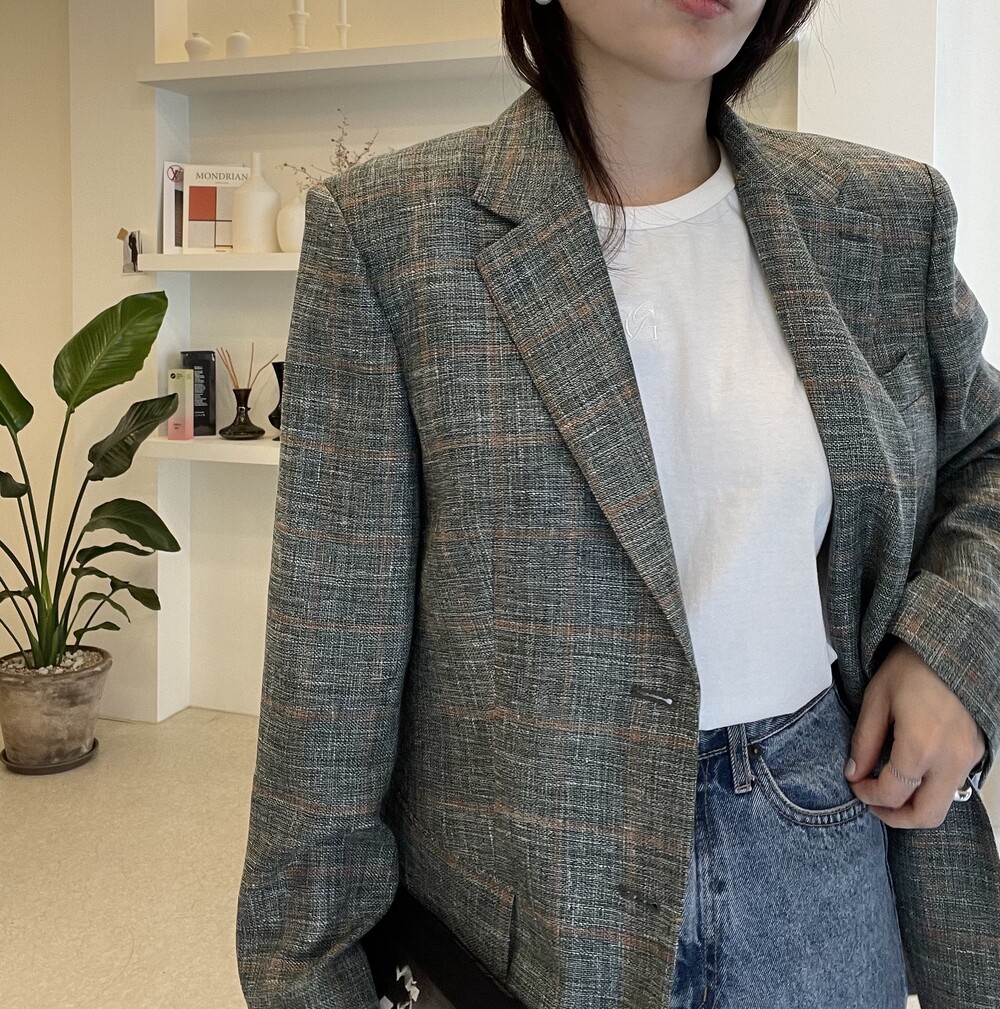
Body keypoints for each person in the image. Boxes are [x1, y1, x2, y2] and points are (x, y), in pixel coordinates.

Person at [235, 1, 1000, 1007]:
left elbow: (985, 457)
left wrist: (949, 650)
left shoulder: (882, 214)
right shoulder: (391, 233)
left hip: (820, 850)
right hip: (531, 903)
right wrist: (307, 972)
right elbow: (332, 662)